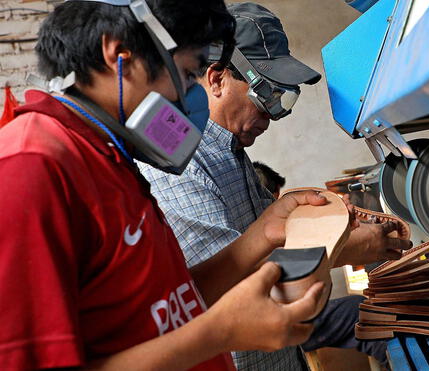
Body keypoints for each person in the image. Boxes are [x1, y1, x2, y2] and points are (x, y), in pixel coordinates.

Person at [0, 0, 332, 369]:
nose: (193, 99)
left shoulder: (109, 156)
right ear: (118, 53)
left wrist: (263, 234)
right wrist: (220, 333)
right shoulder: (31, 167)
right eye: (189, 75)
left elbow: (165, 307)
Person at [140, 3, 412, 370]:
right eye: (266, 95)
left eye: (284, 99)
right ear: (217, 79)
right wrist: (344, 247)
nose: (272, 114)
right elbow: (233, 289)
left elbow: (261, 246)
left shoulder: (231, 154)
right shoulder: (182, 164)